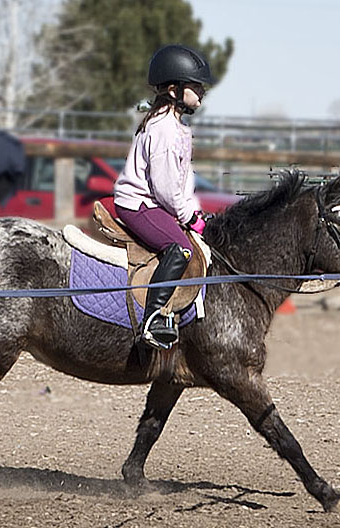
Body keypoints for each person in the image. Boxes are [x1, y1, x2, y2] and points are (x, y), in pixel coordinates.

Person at [113, 44, 215, 350]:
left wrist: (194, 212)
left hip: (158, 203)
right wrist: (187, 217)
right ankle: (153, 318)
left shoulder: (176, 127)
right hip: (139, 204)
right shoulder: (164, 131)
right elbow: (167, 189)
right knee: (181, 248)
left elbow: (184, 181)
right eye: (195, 86)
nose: (201, 92)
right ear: (174, 89)